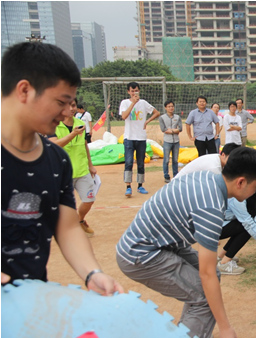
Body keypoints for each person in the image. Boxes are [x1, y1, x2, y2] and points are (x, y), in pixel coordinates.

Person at [116, 147, 256, 338]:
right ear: (241, 182)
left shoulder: (208, 177)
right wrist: (225, 326)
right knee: (205, 295)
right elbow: (205, 275)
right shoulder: (211, 207)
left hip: (162, 243)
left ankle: (194, 331)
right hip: (142, 253)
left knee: (213, 279)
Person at [1, 42, 123, 295]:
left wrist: (92, 273)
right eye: (61, 102)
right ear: (24, 90)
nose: (68, 112)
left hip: (26, 304)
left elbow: (67, 226)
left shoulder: (56, 160)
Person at [49, 98, 97, 237]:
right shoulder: (53, 125)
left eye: (73, 105)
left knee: (89, 200)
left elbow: (84, 145)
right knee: (64, 205)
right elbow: (54, 145)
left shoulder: (80, 123)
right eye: (67, 106)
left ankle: (80, 220)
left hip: (82, 169)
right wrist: (73, 134)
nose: (71, 109)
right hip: (62, 172)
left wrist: (90, 165)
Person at [119, 82, 160, 197]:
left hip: (141, 137)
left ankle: (140, 185)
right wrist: (133, 103)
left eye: (136, 91)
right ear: (128, 92)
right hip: (129, 137)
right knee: (128, 162)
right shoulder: (125, 103)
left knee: (141, 162)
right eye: (132, 91)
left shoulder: (143, 103)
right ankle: (128, 186)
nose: (134, 93)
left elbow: (156, 112)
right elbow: (124, 116)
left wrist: (147, 121)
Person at [175, 143, 240, 179]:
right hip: (179, 187)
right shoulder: (214, 167)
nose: (233, 162)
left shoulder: (217, 157)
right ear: (223, 155)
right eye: (231, 158)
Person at [159, 100, 182, 183]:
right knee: (166, 160)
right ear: (165, 108)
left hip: (176, 141)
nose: (171, 108)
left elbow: (180, 128)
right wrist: (175, 130)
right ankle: (166, 175)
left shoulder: (177, 117)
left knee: (175, 159)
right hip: (167, 141)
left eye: (172, 106)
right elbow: (163, 129)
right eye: (169, 106)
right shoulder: (162, 118)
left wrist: (171, 130)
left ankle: (176, 175)